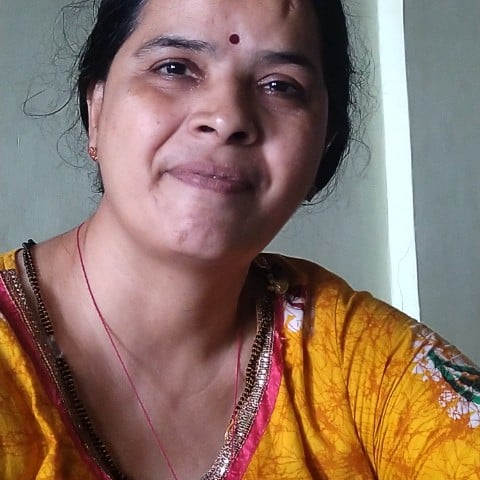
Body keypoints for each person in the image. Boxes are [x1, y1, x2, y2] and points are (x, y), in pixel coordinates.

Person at [0, 0, 479, 478]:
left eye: (280, 86)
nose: (228, 117)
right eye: (175, 68)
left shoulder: (363, 362)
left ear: (326, 142)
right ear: (97, 108)